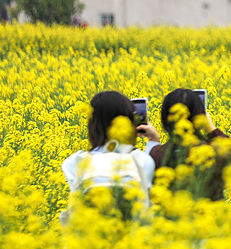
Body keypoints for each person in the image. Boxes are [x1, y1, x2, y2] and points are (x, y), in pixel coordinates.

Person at [61, 90, 159, 219]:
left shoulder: (74, 162)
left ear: (92, 124)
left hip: (89, 234)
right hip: (131, 235)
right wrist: (153, 142)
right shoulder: (142, 161)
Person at [149, 88, 231, 201]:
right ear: (200, 117)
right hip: (210, 217)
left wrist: (153, 142)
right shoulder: (213, 153)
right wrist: (212, 130)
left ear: (165, 119)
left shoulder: (156, 154)